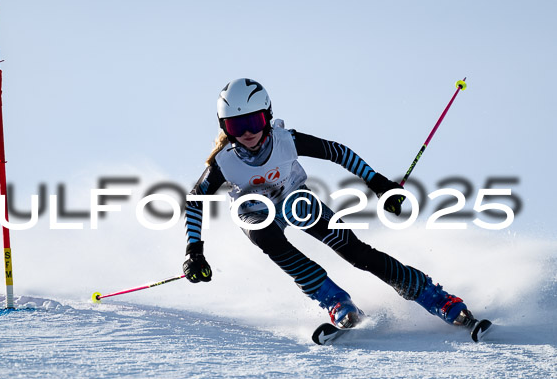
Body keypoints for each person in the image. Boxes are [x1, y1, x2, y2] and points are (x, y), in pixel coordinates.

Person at [182, 77, 480, 333]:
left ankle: (435, 297)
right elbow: (195, 200)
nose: (247, 132)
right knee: (265, 235)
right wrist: (194, 251)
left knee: (356, 252)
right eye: (237, 124)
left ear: (267, 116)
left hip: (293, 199)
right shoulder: (224, 162)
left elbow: (336, 151)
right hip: (255, 211)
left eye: (254, 121)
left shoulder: (286, 141)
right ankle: (336, 301)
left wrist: (377, 182)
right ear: (225, 126)